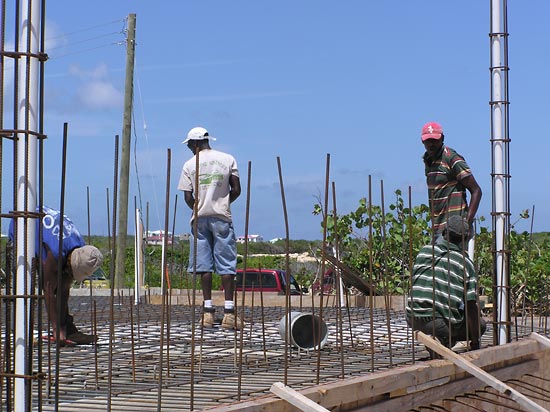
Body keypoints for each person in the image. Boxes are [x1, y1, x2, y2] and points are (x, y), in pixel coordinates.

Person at [8, 206, 103, 345]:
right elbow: (48, 289)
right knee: (24, 286)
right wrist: (56, 328)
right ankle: (21, 332)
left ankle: (68, 328)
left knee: (63, 279)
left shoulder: (80, 247)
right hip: (22, 228)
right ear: (70, 262)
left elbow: (64, 289)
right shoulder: (55, 252)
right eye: (72, 272)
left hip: (44, 234)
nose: (71, 275)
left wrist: (62, 325)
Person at [178, 126, 243, 330]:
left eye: (189, 144)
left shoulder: (189, 165)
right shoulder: (227, 159)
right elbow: (237, 189)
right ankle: (229, 314)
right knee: (226, 264)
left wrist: (198, 207)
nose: (189, 148)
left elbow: (188, 197)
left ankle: (207, 313)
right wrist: (223, 203)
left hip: (200, 218)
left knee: (204, 265)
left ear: (196, 143)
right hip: (221, 216)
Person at [406, 215, 486, 357]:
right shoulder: (465, 263)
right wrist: (475, 341)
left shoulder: (424, 251)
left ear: (444, 232)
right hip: (438, 323)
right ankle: (443, 340)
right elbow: (471, 306)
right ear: (465, 239)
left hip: (413, 318)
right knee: (480, 325)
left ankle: (438, 340)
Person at [421, 121, 482, 242]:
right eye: (428, 141)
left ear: (442, 139)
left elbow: (476, 191)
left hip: (454, 230)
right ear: (422, 141)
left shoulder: (451, 158)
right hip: (438, 228)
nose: (431, 144)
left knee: (452, 260)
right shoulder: (428, 161)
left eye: (434, 140)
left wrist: (465, 223)